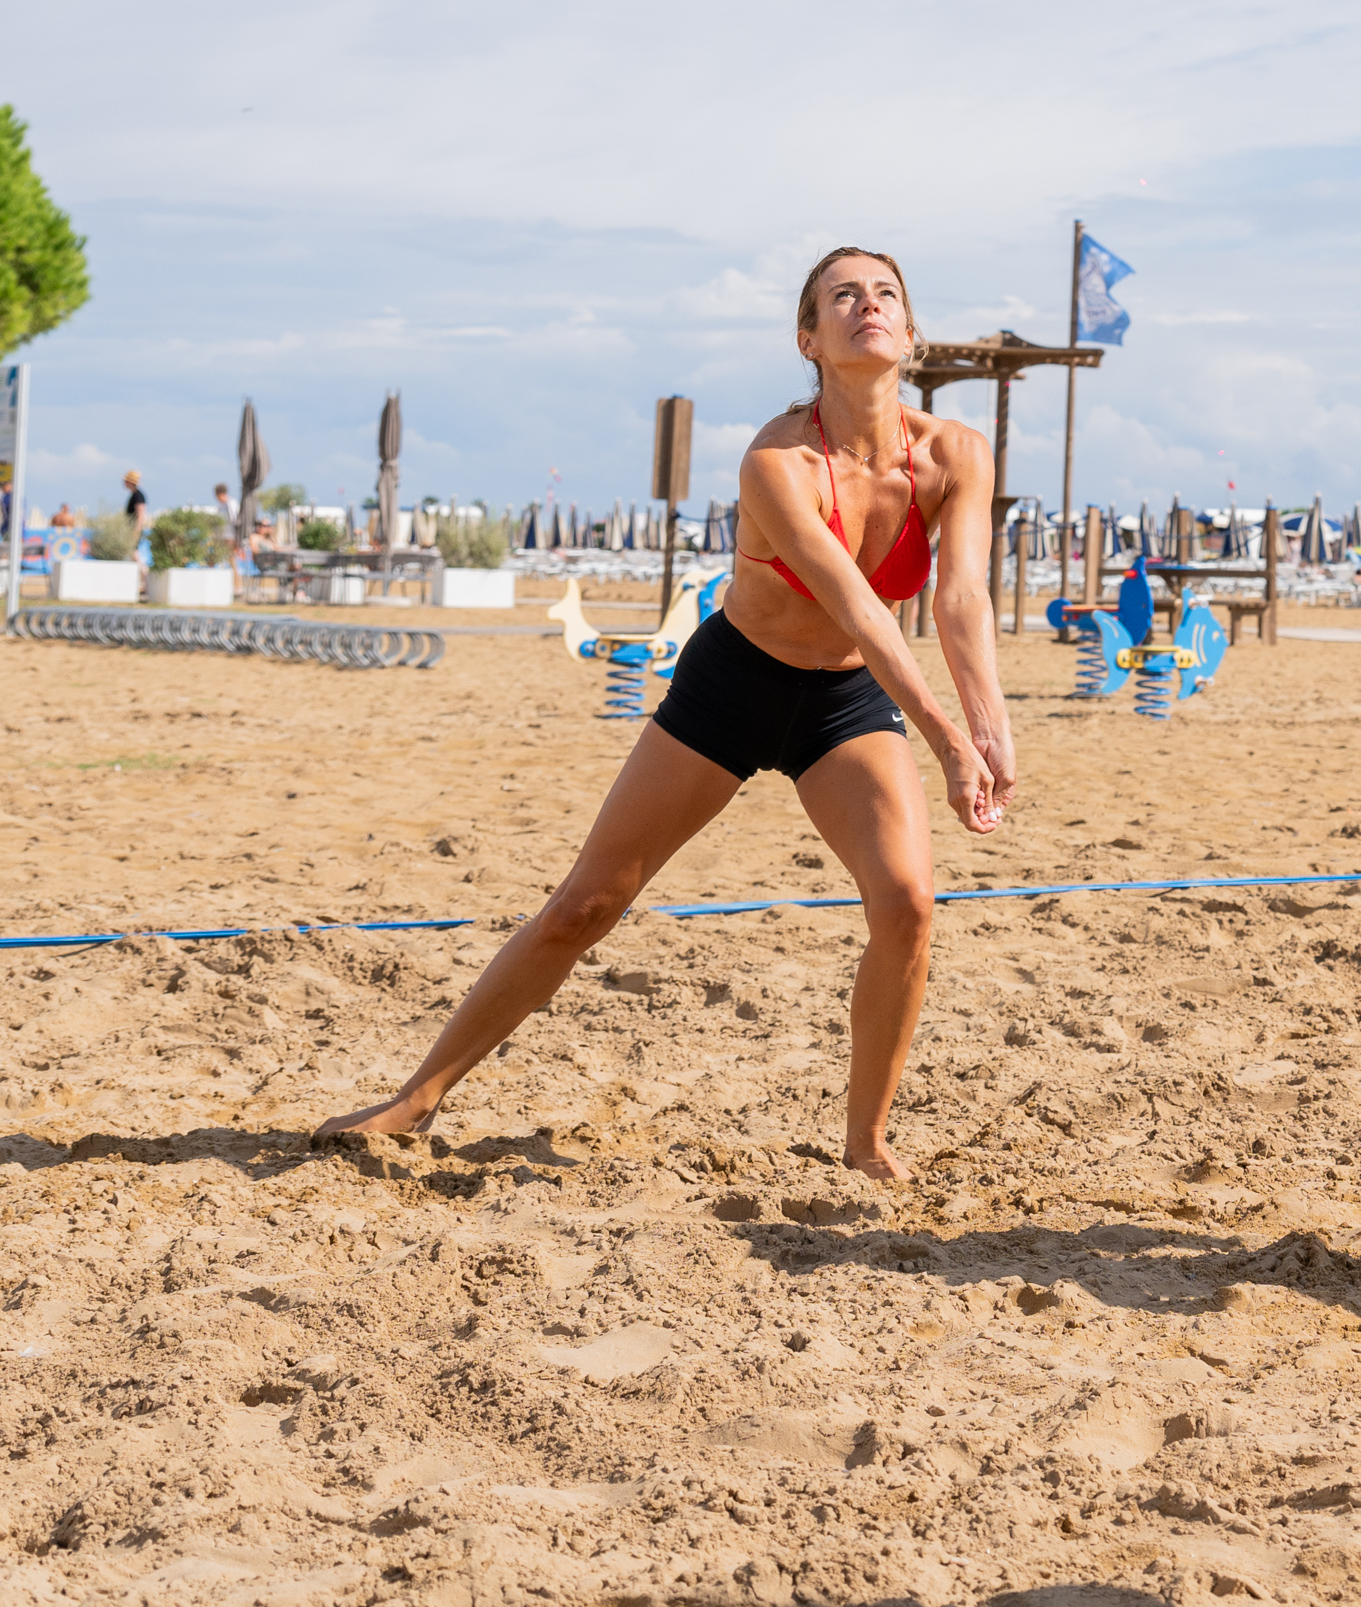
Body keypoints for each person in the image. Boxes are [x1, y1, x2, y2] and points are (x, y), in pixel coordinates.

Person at [321, 246, 1012, 1177]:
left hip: (845, 701)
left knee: (908, 905)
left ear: (912, 333)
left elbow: (961, 598)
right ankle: (415, 1098)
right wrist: (944, 738)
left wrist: (990, 725)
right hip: (735, 683)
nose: (867, 305)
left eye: (885, 293)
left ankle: (865, 1140)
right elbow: (854, 600)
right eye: (842, 295)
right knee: (586, 904)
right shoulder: (778, 460)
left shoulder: (955, 454)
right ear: (809, 337)